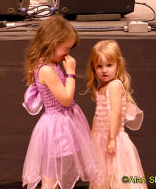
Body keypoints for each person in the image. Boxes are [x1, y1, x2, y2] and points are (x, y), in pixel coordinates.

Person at [22, 15, 98, 189]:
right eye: (65, 49)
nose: (67, 54)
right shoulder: (47, 70)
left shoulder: (53, 65)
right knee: (51, 176)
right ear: (52, 43)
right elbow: (66, 99)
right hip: (56, 126)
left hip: (66, 122)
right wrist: (70, 73)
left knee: (58, 172)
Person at [86, 40, 147, 189]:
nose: (104, 70)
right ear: (93, 68)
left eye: (109, 65)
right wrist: (91, 138)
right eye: (99, 66)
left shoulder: (114, 85)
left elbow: (116, 113)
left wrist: (112, 138)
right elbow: (97, 115)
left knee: (118, 175)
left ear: (118, 65)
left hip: (113, 139)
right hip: (101, 140)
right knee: (103, 176)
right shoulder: (100, 87)